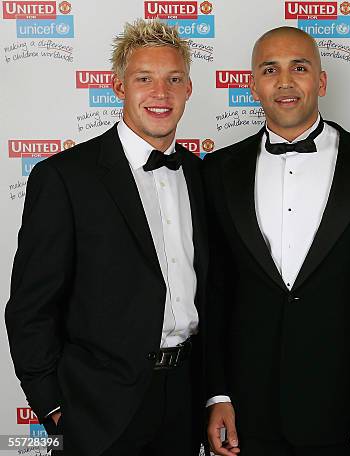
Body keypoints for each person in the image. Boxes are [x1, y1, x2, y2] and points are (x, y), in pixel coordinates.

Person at [202, 26, 350, 456]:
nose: (284, 82)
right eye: (270, 70)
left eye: (299, 67)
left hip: (346, 413)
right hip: (246, 416)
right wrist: (217, 393)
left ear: (321, 80)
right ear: (253, 84)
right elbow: (214, 291)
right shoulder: (217, 171)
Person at [5, 19, 207, 456]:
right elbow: (30, 306)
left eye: (174, 79)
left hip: (185, 403)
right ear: (119, 87)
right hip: (97, 409)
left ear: (189, 89)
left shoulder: (200, 175)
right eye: (144, 79)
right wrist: (53, 406)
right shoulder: (63, 178)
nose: (161, 92)